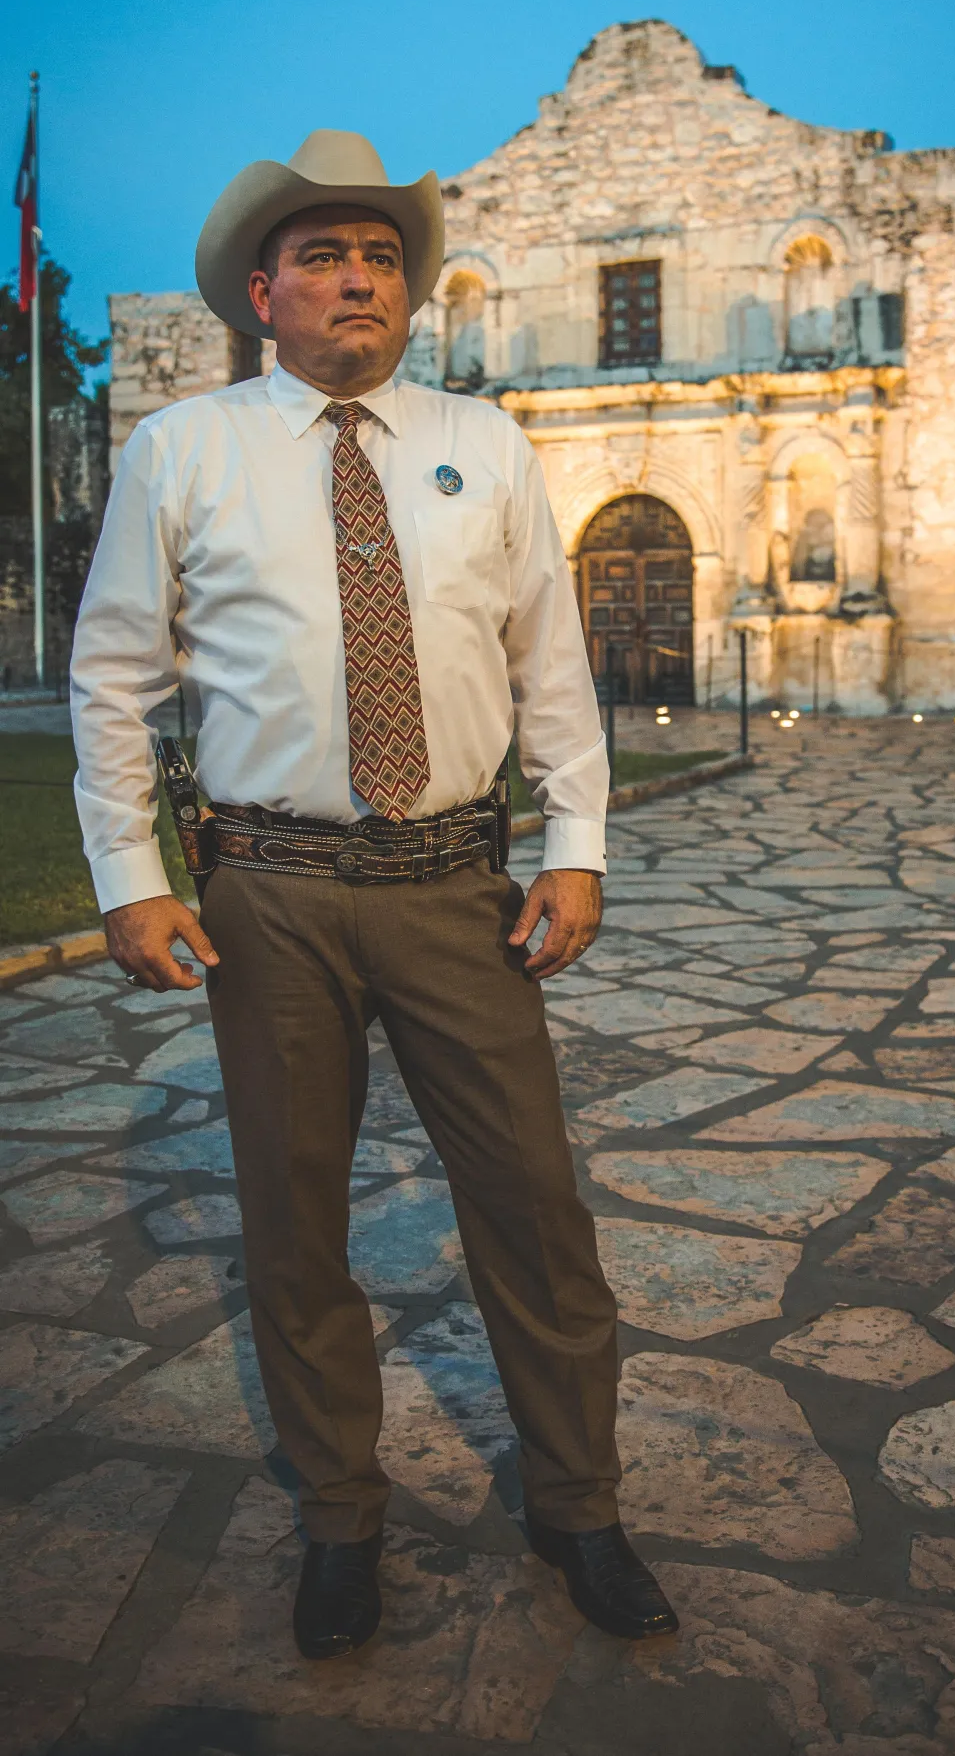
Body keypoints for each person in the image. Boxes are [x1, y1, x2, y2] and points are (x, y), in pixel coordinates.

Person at [70, 130, 679, 1659]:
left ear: (409, 291)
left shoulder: (486, 442)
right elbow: (112, 682)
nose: (358, 279)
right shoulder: (184, 452)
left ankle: (580, 1505)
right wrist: (134, 880)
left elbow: (553, 664)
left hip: (457, 889)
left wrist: (580, 845)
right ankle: (340, 1515)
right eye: (325, 257)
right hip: (267, 895)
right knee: (297, 1224)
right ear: (262, 291)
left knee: (536, 1212)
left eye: (382, 257)